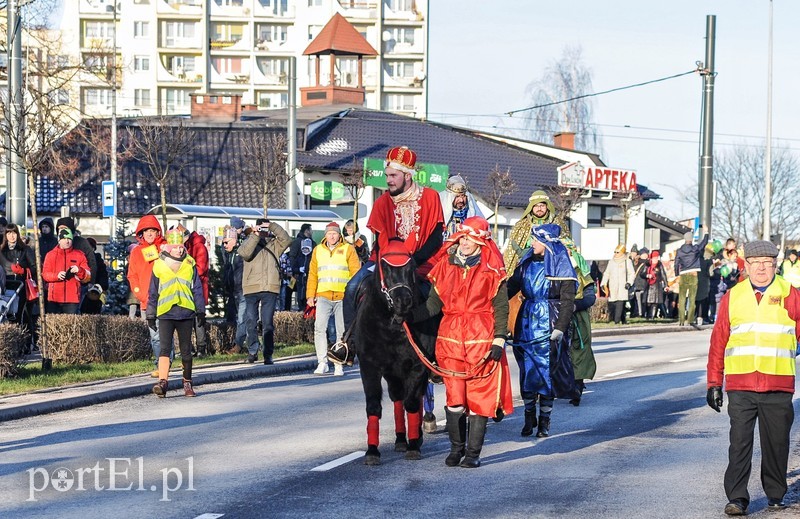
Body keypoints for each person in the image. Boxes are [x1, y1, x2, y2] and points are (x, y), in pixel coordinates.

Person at [410, 216, 513, 468]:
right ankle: (456, 449)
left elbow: (500, 307)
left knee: (479, 399)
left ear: (481, 242)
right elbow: (434, 305)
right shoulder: (445, 266)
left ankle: (473, 454)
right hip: (450, 339)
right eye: (463, 238)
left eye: (471, 239)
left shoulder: (493, 270)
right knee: (455, 398)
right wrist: (410, 317)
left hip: (482, 339)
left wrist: (499, 339)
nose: (466, 243)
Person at [706, 240, 798, 516]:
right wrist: (714, 383)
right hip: (741, 384)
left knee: (777, 443)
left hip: (778, 384)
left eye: (767, 263)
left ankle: (775, 494)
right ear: (745, 265)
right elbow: (719, 341)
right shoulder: (733, 296)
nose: (761, 268)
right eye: (755, 263)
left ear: (775, 265)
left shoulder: (791, 294)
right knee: (740, 443)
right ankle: (737, 498)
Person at [331, 145, 444, 365]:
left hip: (423, 261)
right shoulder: (383, 201)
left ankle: (439, 352)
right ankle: (349, 344)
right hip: (384, 260)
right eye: (387, 175)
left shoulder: (430, 197)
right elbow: (379, 240)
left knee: (442, 296)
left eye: (394, 175)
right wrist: (392, 263)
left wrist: (414, 261)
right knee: (353, 287)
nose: (389, 180)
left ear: (408, 175)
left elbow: (436, 237)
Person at [508, 224, 577, 438]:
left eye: (535, 240)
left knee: (546, 373)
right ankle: (529, 417)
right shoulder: (526, 263)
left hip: (550, 321)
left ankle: (545, 421)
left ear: (546, 243)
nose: (531, 244)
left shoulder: (562, 266)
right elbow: (511, 287)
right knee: (527, 371)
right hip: (527, 321)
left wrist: (560, 328)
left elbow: (567, 302)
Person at [148, 228, 206, 398]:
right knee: (164, 349)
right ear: (168, 247)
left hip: (186, 313)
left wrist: (200, 311)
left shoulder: (190, 263)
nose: (180, 249)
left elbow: (197, 289)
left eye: (181, 246)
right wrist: (151, 314)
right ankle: (163, 382)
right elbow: (152, 292)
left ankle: (187, 383)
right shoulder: (158, 264)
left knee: (186, 350)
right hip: (166, 313)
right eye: (176, 246)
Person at [306, 222, 360, 376]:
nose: (331, 236)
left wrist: (353, 295)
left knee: (341, 332)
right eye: (329, 233)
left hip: (343, 297)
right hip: (322, 295)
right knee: (319, 328)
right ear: (325, 235)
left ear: (339, 235)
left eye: (334, 233)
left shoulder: (348, 249)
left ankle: (338, 363)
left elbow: (355, 273)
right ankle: (322, 362)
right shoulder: (318, 250)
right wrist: (310, 295)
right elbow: (313, 274)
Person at [239, 217, 291, 365]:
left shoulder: (275, 244)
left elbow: (287, 239)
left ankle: (268, 354)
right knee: (251, 321)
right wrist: (255, 235)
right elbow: (244, 253)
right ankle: (252, 351)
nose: (263, 231)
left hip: (270, 288)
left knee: (267, 323)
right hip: (251, 287)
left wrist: (272, 226)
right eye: (261, 228)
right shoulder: (249, 241)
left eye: (265, 228)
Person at [127, 215, 167, 376]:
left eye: (153, 231)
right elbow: (132, 276)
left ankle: (166, 363)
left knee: (166, 333)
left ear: (158, 232)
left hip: (166, 298)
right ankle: (161, 365)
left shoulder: (165, 248)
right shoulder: (136, 252)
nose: (150, 234)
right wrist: (141, 294)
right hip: (147, 301)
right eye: (146, 231)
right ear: (141, 233)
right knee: (155, 335)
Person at [562, 236, 596, 406]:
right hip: (557, 315)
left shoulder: (582, 272)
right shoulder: (554, 269)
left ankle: (577, 387)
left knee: (579, 350)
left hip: (577, 317)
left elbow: (590, 296)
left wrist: (576, 305)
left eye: (568, 249)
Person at [173, 224, 209, 356]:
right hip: (185, 288)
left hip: (197, 288)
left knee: (198, 319)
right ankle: (188, 347)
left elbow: (201, 268)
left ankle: (201, 348)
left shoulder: (198, 247)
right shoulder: (186, 248)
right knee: (186, 318)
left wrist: (184, 272)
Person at [0, 224, 37, 349]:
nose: (11, 236)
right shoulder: (2, 250)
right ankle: (9, 345)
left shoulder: (25, 249)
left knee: (21, 315)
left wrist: (24, 270)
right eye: (9, 233)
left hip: (21, 287)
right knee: (6, 316)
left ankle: (24, 345)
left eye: (14, 233)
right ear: (5, 235)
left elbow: (35, 268)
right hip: (5, 287)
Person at [503, 190, 554, 279]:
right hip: (527, 263)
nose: (539, 209)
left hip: (551, 263)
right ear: (531, 207)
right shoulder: (521, 225)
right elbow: (511, 250)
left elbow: (567, 243)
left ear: (547, 206)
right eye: (536, 206)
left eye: (542, 206)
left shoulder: (557, 223)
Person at [41, 228, 91, 314]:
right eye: (64, 238)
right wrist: (57, 276)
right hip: (54, 299)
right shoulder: (50, 255)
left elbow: (88, 276)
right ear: (59, 240)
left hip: (72, 299)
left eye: (69, 239)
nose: (67, 241)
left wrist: (79, 270)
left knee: (70, 325)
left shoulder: (80, 255)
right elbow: (45, 274)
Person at [674, 230, 710, 326]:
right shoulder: (695, 249)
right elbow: (704, 243)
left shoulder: (679, 251)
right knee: (692, 298)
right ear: (691, 239)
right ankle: (690, 320)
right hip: (693, 275)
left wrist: (677, 274)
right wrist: (706, 233)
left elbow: (676, 263)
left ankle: (681, 319)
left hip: (683, 275)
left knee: (682, 298)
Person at [221, 226, 246, 353]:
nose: (224, 245)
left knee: (242, 318)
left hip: (242, 290)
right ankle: (235, 342)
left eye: (226, 242)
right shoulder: (228, 254)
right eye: (223, 242)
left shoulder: (241, 252)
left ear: (234, 240)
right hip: (233, 291)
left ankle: (239, 345)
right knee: (232, 319)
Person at [439, 174, 484, 239]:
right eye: (457, 196)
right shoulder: (440, 213)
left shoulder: (471, 213)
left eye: (463, 196)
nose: (461, 200)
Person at [55, 217, 97, 285]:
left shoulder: (82, 243)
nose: (62, 231)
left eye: (64, 228)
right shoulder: (55, 244)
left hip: (79, 283)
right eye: (59, 229)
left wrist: (91, 281)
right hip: (59, 284)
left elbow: (92, 263)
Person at [601, 245, 634, 324]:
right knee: (614, 304)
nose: (615, 253)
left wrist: (629, 282)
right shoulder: (611, 262)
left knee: (620, 302)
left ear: (622, 253)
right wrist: (603, 283)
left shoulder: (627, 261)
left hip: (623, 287)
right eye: (615, 252)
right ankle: (623, 320)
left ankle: (616, 321)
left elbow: (631, 273)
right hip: (613, 286)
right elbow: (607, 273)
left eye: (618, 252)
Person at [641, 250, 669, 319]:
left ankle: (652, 317)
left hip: (657, 286)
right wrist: (647, 275)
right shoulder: (647, 265)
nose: (656, 259)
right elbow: (642, 274)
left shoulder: (659, 265)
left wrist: (666, 285)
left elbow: (663, 275)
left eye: (657, 258)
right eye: (655, 258)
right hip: (648, 286)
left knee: (655, 303)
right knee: (648, 302)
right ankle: (648, 316)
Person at [292, 238, 313, 310]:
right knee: (299, 296)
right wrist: (299, 270)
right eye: (303, 249)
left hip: (308, 281)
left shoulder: (312, 258)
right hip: (300, 281)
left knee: (306, 296)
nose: (305, 250)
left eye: (306, 249)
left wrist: (307, 270)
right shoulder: (299, 258)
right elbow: (293, 268)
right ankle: (300, 309)